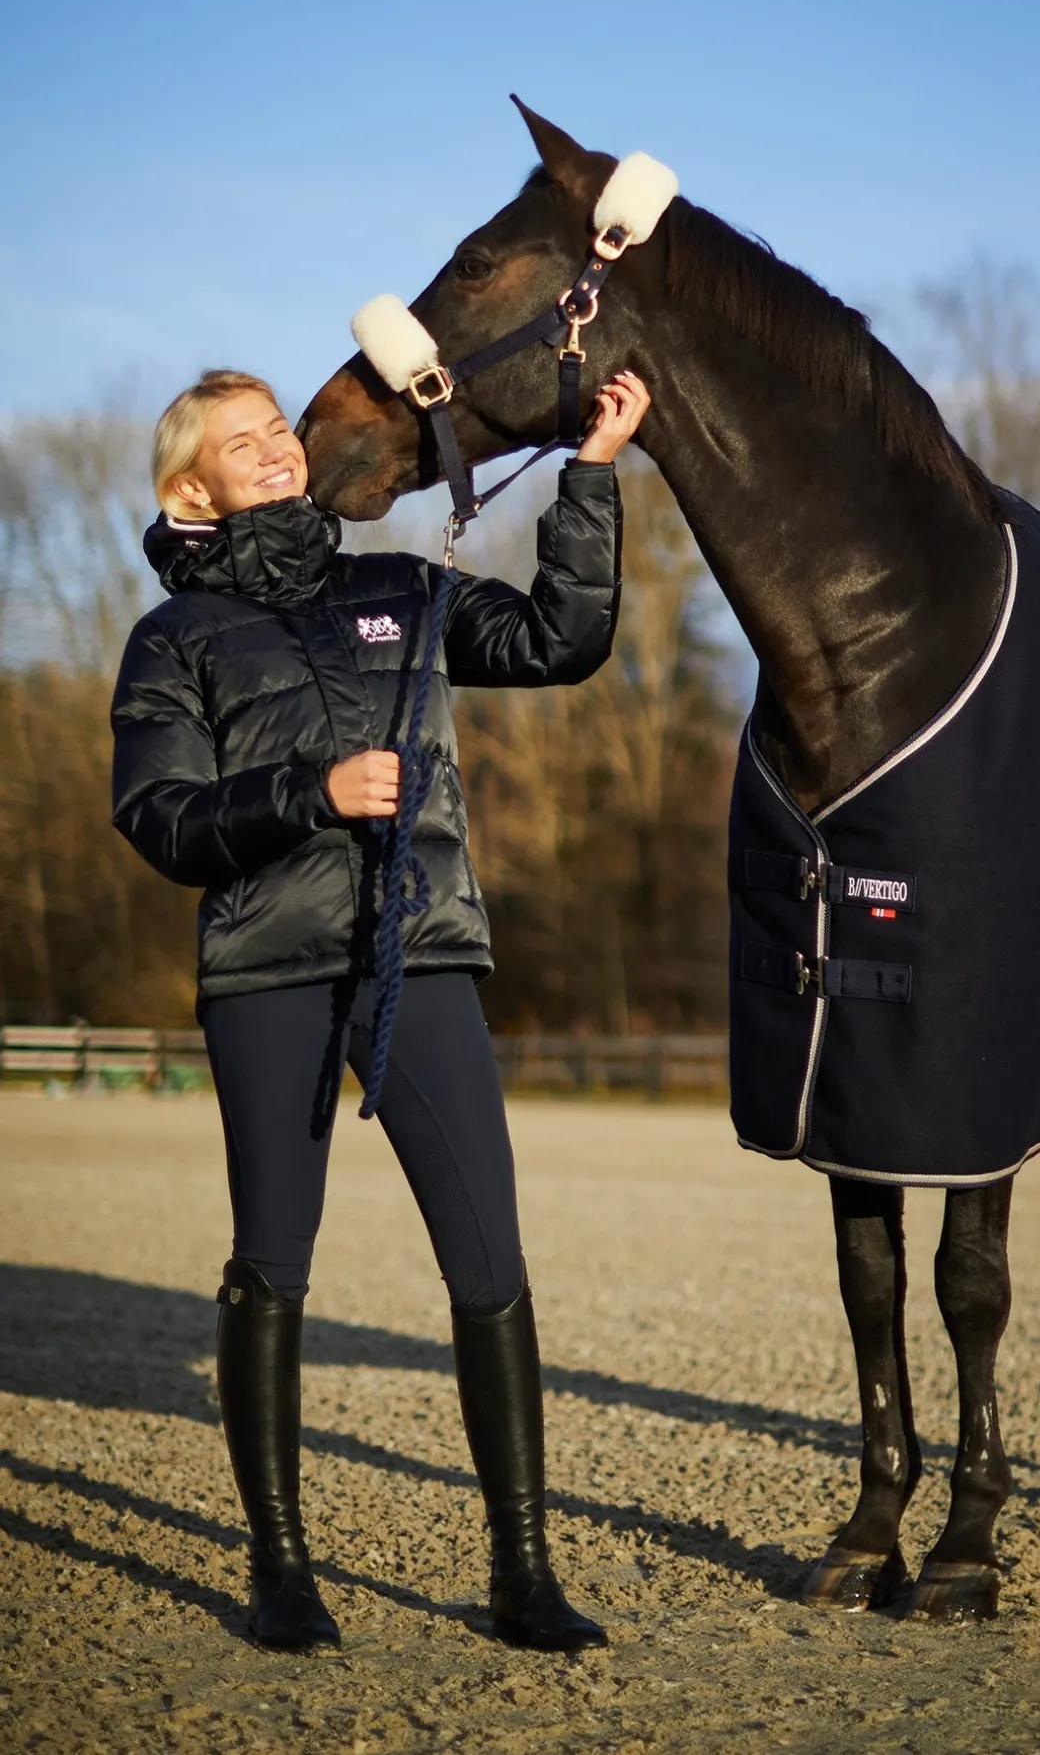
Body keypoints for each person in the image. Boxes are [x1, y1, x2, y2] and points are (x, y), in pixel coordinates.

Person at [111, 364, 649, 1655]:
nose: (280, 451)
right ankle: (279, 1566)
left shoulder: (399, 586)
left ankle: (522, 1573)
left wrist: (590, 474)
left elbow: (560, 640)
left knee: (490, 1261)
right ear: (193, 487)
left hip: (425, 954)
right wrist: (313, 791)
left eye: (278, 431)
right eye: (245, 444)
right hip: (269, 972)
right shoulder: (170, 640)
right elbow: (161, 819)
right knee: (272, 1265)